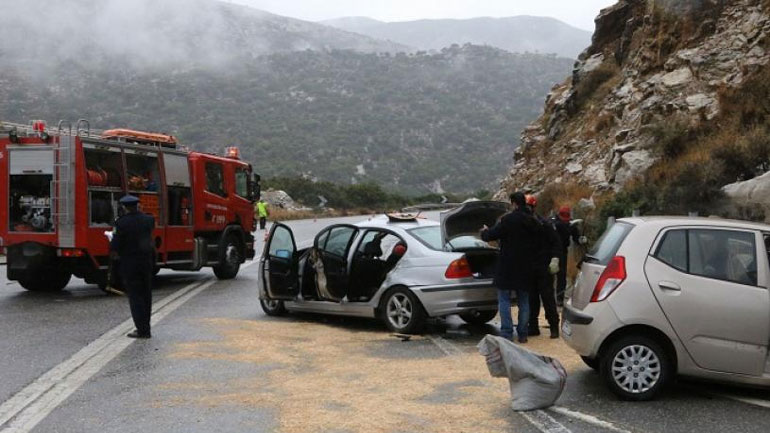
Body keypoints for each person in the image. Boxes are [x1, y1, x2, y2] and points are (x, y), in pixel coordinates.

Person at [480, 192, 539, 343]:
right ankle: (523, 333)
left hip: (508, 266)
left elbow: (491, 235)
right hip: (526, 266)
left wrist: (484, 231)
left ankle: (507, 332)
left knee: (504, 299)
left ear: (513, 203)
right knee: (524, 301)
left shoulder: (508, 220)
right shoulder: (532, 221)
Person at [111, 195, 156, 339]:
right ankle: (147, 327)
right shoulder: (149, 220)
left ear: (124, 207)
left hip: (130, 264)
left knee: (135, 297)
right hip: (146, 262)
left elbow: (115, 245)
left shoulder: (121, 223)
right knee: (146, 295)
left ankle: (141, 330)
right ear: (137, 206)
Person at [524, 195, 562, 339]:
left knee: (547, 298)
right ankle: (533, 326)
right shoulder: (525, 225)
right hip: (531, 267)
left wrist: (555, 259)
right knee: (532, 299)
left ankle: (553, 326)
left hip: (544, 267)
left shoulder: (544, 224)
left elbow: (556, 243)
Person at [552, 206, 587, 304]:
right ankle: (549, 297)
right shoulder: (554, 223)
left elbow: (576, 237)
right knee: (550, 275)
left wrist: (580, 239)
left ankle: (559, 299)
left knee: (561, 276)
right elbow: (561, 228)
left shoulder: (570, 224)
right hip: (551, 251)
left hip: (562, 251)